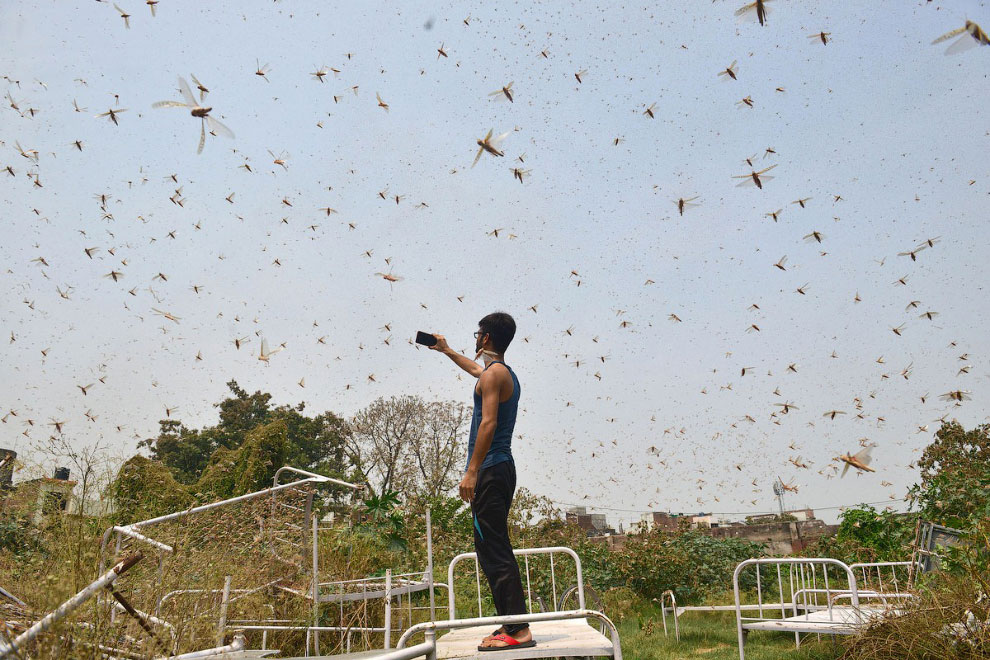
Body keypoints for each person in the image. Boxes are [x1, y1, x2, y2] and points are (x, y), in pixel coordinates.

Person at [429, 312, 534, 651]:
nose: (475, 339)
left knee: (494, 548)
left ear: (486, 338)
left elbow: (488, 423)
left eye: (477, 334)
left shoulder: (495, 375)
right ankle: (511, 624)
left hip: (490, 469)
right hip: (499, 468)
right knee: (491, 546)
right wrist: (446, 350)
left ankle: (517, 630)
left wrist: (471, 472)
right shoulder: (500, 373)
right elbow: (477, 371)